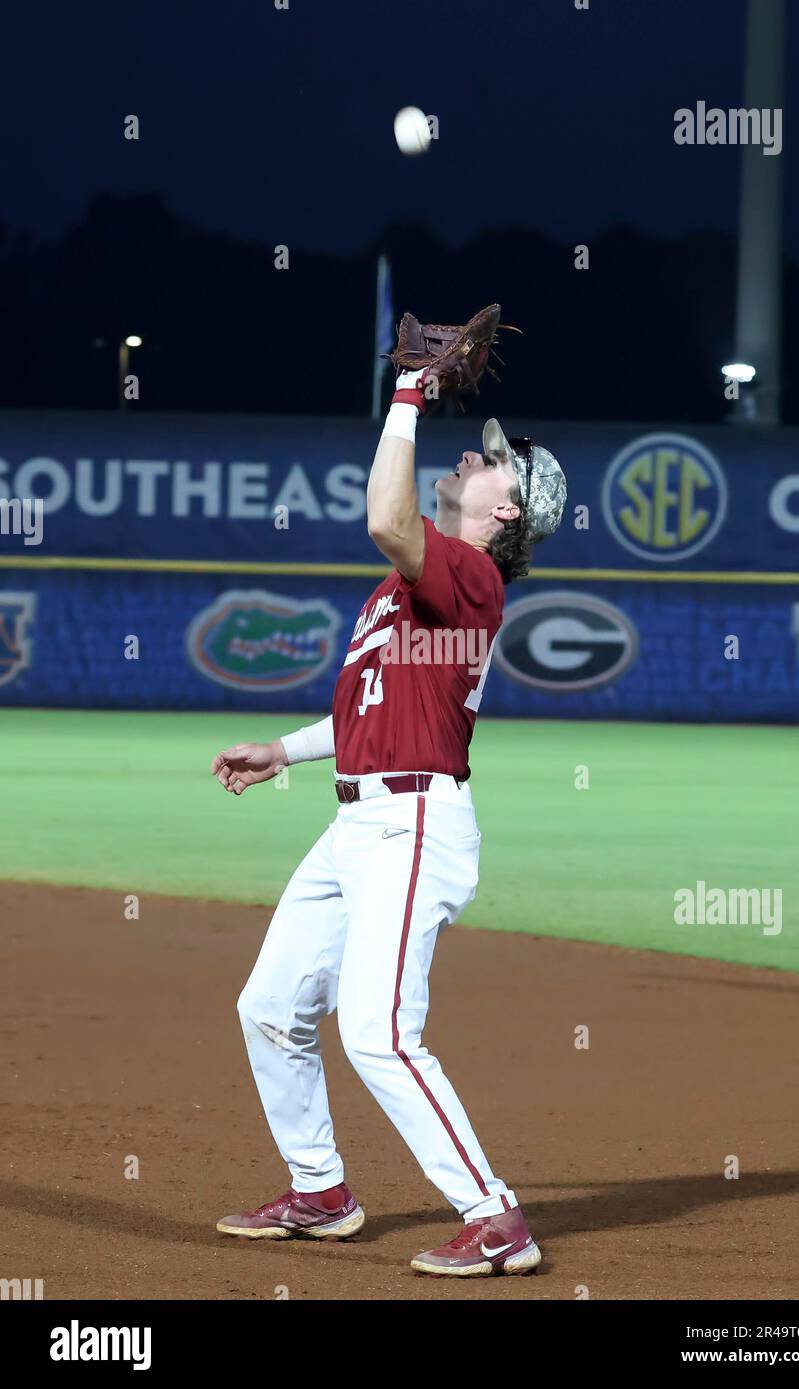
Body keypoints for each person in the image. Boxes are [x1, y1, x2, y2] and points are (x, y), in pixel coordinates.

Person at [212, 361, 566, 1276]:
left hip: (415, 825)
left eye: (489, 462)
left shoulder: (473, 581)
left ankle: (496, 1219)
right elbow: (369, 710)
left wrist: (407, 392)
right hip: (354, 826)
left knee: (377, 1030)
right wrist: (284, 752)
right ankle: (321, 1190)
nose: (469, 458)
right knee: (269, 1007)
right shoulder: (406, 590)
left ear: (508, 513)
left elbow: (384, 517)